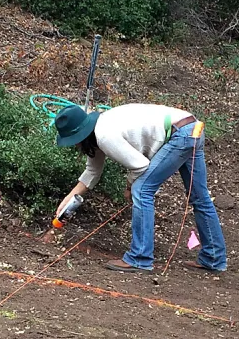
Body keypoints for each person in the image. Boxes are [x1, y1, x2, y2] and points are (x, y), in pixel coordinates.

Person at [52, 102, 227, 274]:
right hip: (192, 128)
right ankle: (213, 258)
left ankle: (140, 258)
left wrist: (129, 187)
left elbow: (140, 166)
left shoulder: (104, 135)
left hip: (180, 135)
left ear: (80, 136)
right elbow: (92, 172)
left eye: (74, 141)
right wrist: (68, 199)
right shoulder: (100, 129)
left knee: (141, 190)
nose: (75, 146)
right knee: (199, 197)